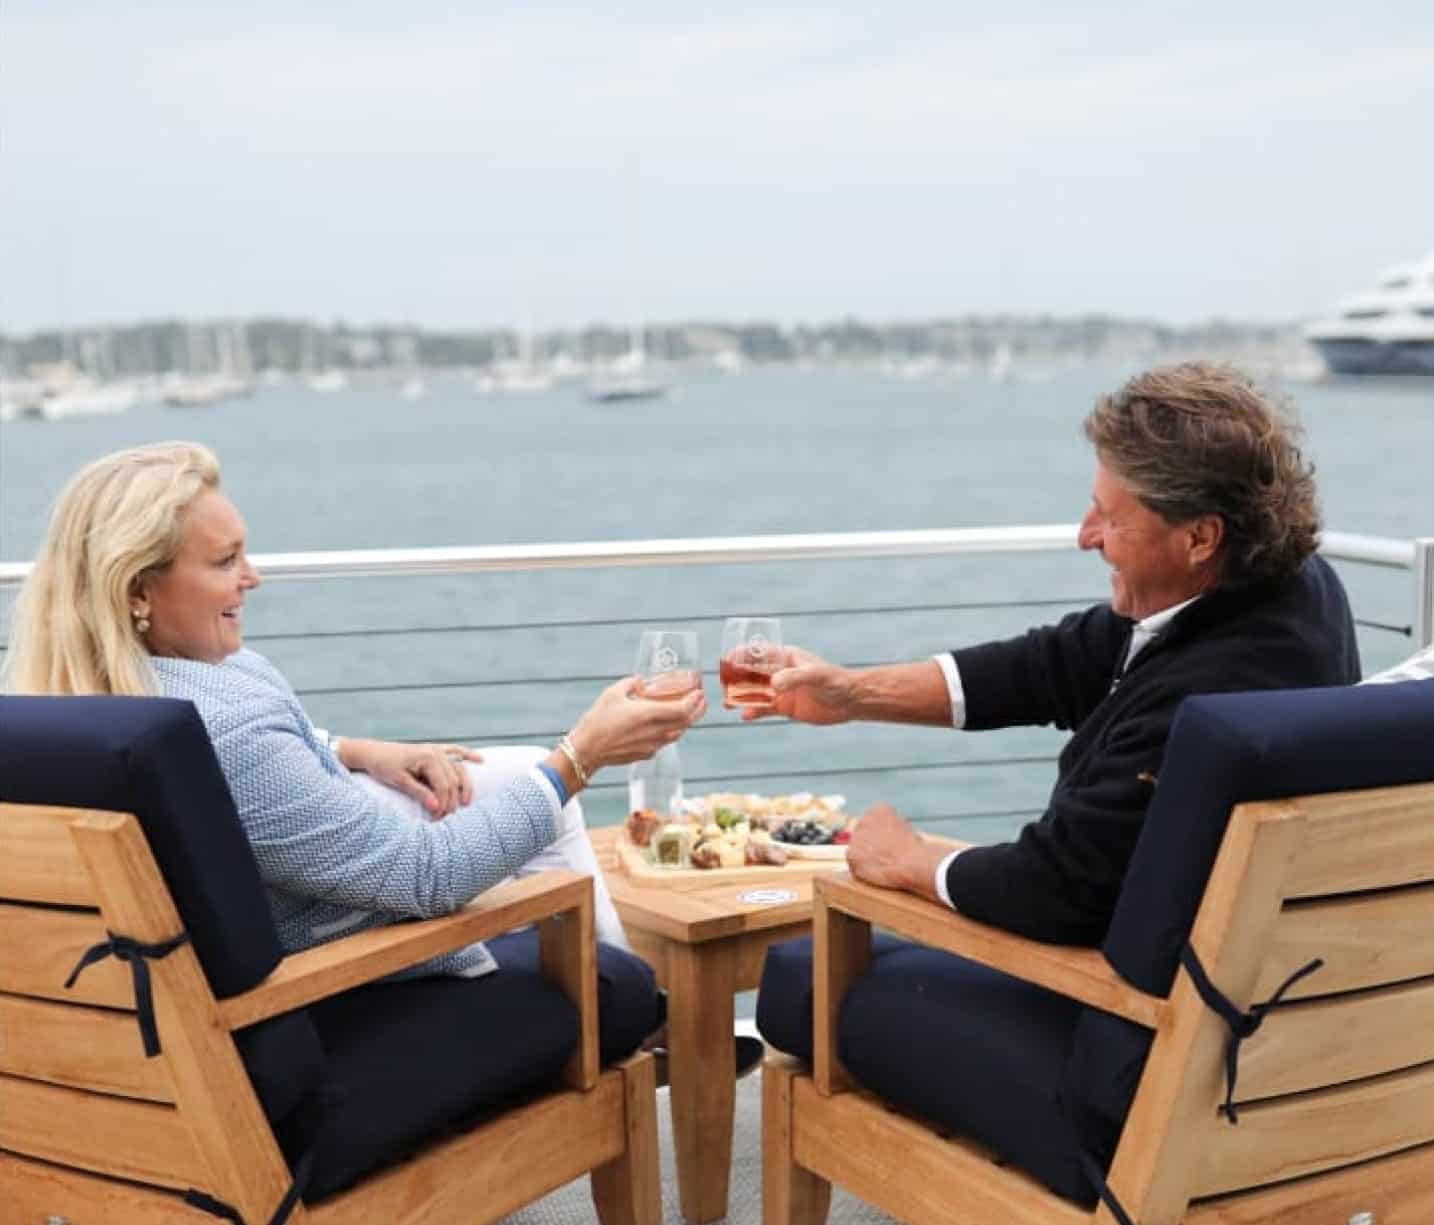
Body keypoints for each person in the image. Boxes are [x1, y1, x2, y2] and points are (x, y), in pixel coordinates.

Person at [3, 440, 704, 1068]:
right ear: (137, 591)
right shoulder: (229, 733)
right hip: (325, 992)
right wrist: (582, 756)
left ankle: (635, 1006)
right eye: (224, 561)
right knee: (574, 893)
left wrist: (357, 750)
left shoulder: (73, 713)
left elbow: (277, 756)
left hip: (132, 1049)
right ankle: (632, 1005)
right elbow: (425, 877)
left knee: (516, 779)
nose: (253, 577)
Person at [751, 361, 1361, 950]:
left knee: (803, 980)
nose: (1085, 534)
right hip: (1269, 1008)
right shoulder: (1286, 589)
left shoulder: (1206, 701)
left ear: (1199, 537)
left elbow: (1057, 890)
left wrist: (909, 860)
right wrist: (850, 695)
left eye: (1110, 517)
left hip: (1126, 1022)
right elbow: (1048, 667)